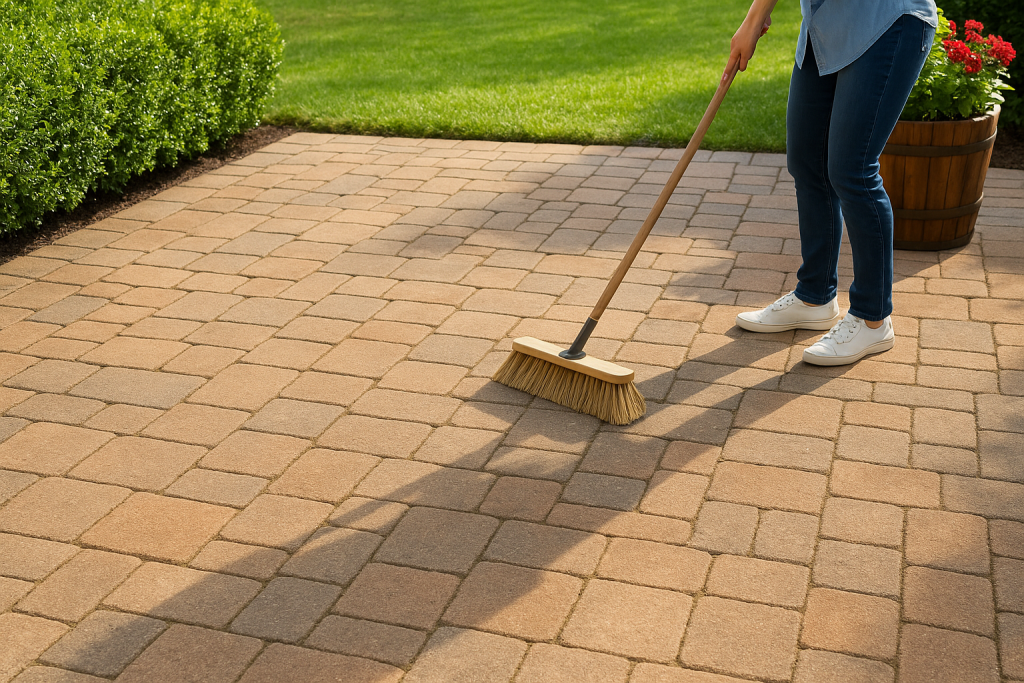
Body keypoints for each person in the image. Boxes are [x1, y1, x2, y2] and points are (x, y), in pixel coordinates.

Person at [728, 0, 937, 365]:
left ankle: (873, 319)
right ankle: (814, 297)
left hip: (886, 19)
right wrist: (754, 16)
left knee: (852, 170)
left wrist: (756, 13)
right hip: (823, 25)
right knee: (807, 163)